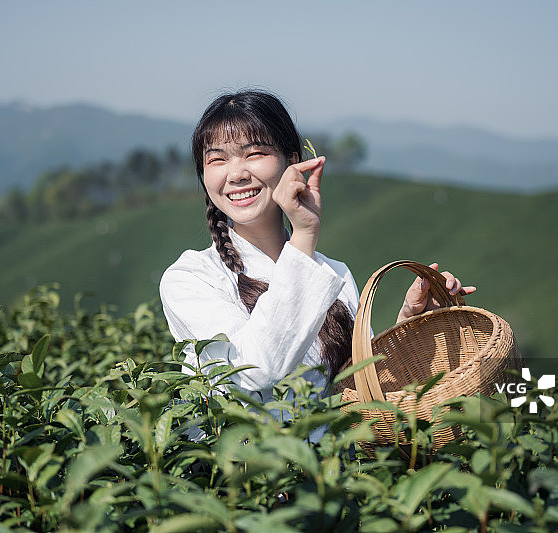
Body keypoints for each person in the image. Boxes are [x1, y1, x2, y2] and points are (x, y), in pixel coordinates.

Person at [158, 90, 474, 437]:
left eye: (255, 154)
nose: (235, 174)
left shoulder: (334, 273)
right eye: (217, 160)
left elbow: (360, 387)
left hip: (333, 478)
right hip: (246, 480)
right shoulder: (191, 278)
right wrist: (305, 234)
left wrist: (409, 324)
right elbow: (254, 369)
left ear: (291, 160)